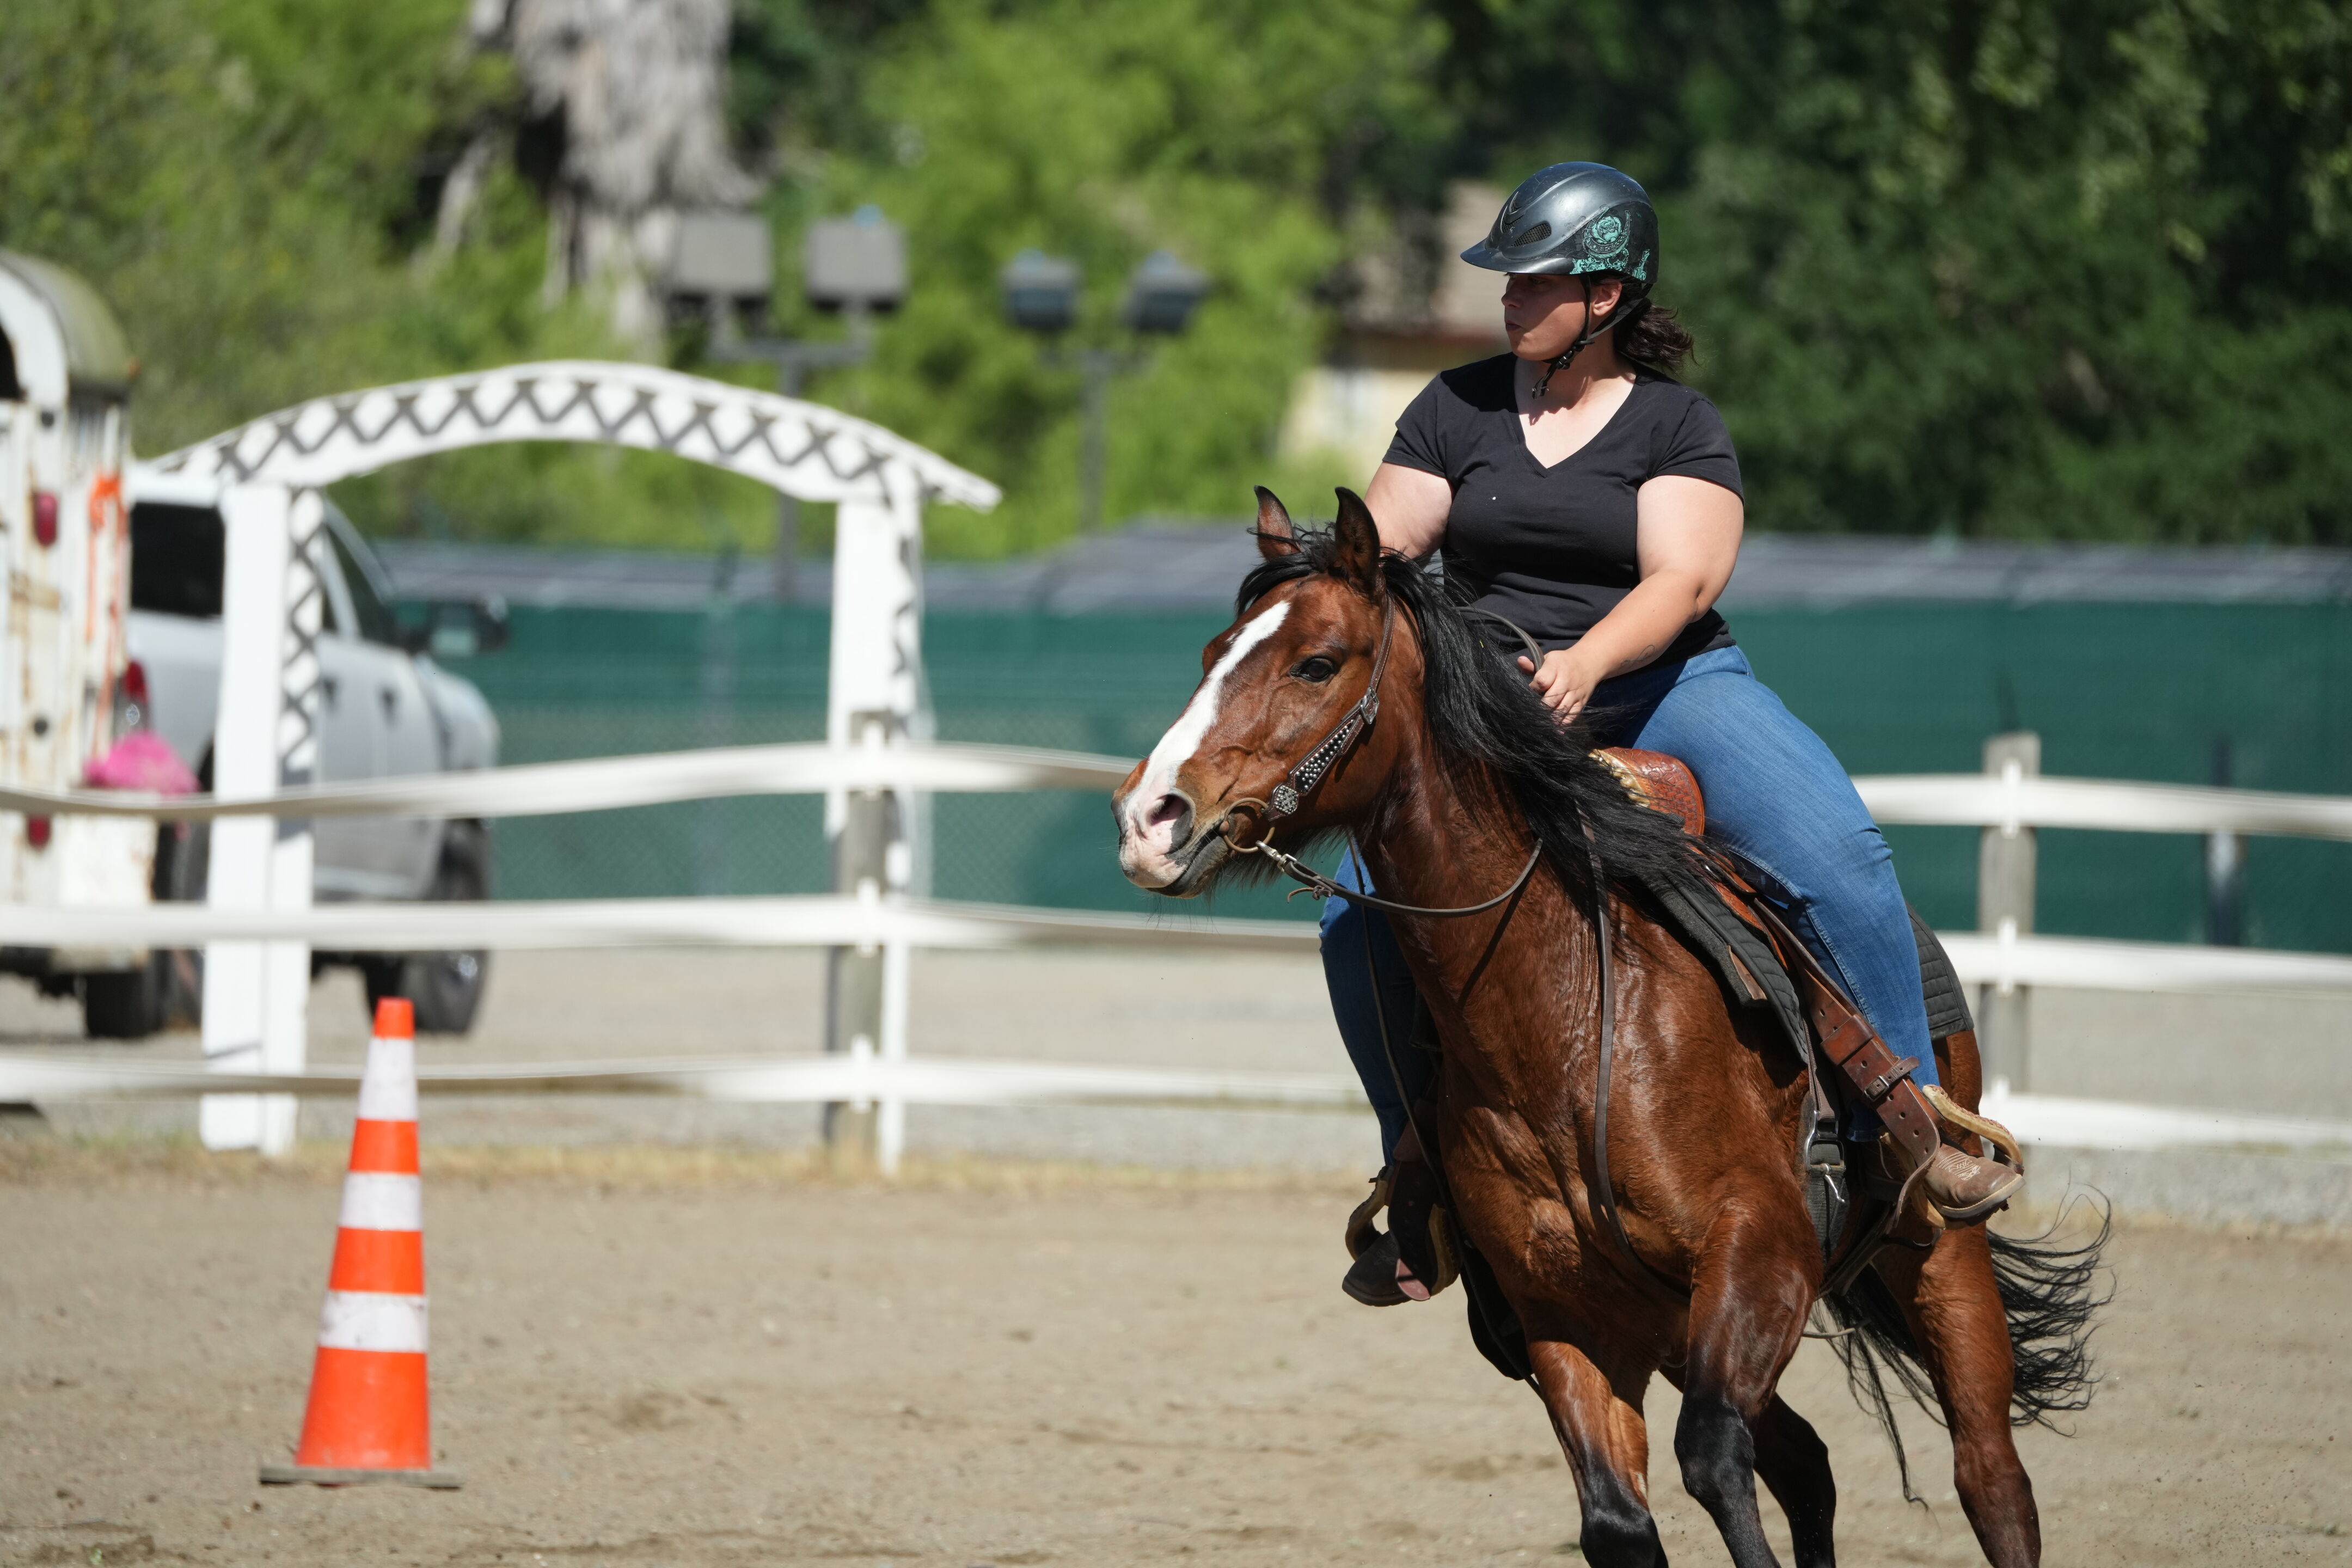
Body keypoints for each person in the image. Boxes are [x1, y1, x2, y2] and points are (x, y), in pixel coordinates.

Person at [1326, 162, 2022, 1308]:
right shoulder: (1454, 407)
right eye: (1505, 278)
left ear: (1605, 296)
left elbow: (1683, 578)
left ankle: (1913, 1129)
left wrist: (1589, 662)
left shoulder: (1674, 422)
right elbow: (1389, 536)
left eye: (1532, 280)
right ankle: (1422, 1173)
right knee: (1359, 923)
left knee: (1839, 857)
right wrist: (1328, 572)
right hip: (1491, 704)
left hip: (1664, 686)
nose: (1505, 297)